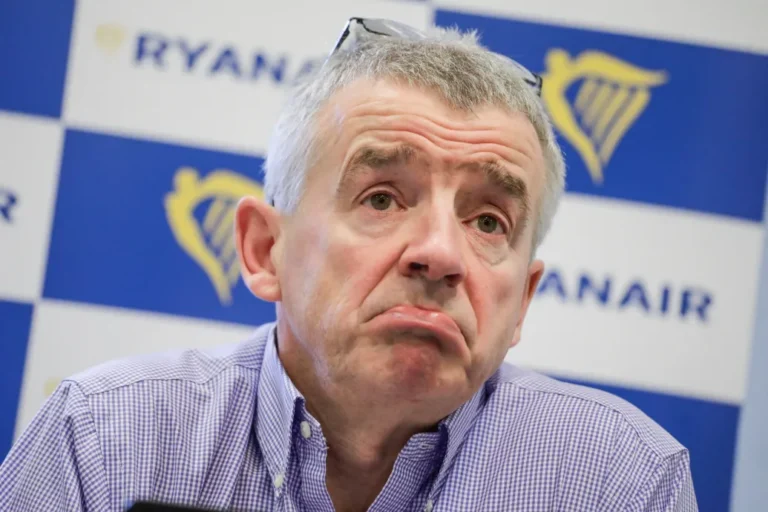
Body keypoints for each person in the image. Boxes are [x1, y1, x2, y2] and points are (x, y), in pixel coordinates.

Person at [0, 18, 697, 512]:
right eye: (382, 198)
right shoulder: (106, 441)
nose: (440, 254)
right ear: (265, 250)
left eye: (489, 221)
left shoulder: (622, 480)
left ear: (522, 302)